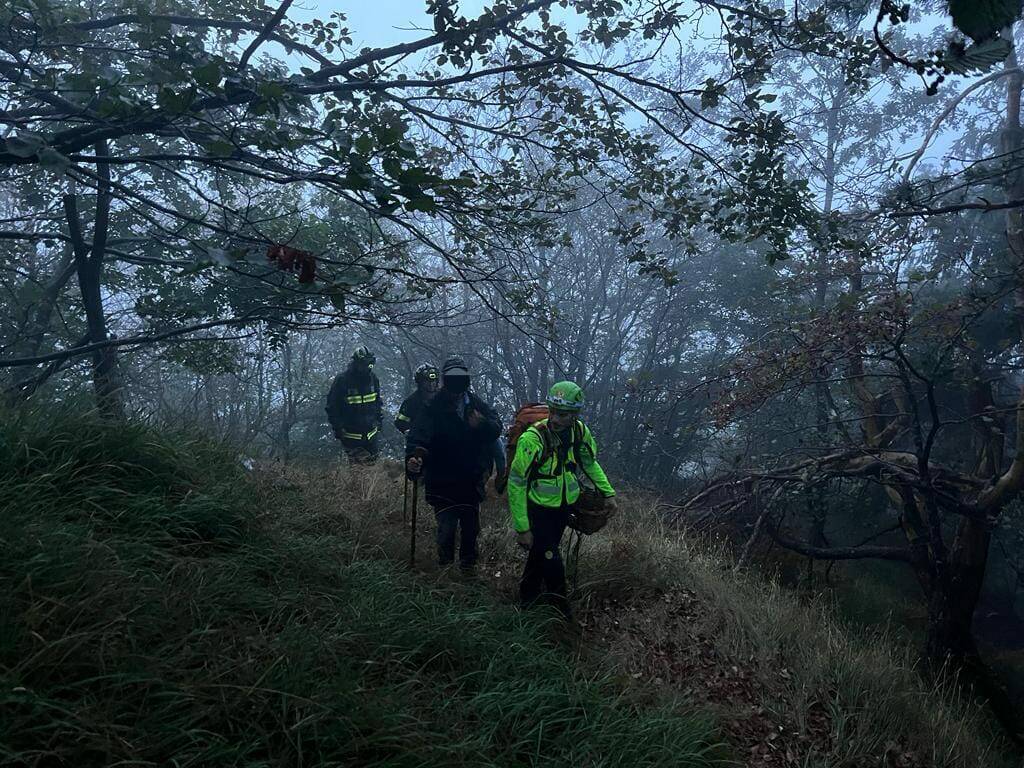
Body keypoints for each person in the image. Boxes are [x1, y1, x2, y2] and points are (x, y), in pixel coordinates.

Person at [507, 381, 617, 615]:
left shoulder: (579, 432)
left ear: (575, 414)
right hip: (538, 508)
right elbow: (516, 482)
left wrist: (608, 493)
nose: (556, 419)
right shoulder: (532, 439)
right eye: (553, 412)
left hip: (564, 507)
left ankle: (527, 599)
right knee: (550, 556)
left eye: (563, 414)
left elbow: (589, 462)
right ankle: (560, 606)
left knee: (541, 553)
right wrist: (522, 527)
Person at [406, 357, 501, 571]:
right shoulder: (432, 407)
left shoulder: (477, 405)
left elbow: (496, 429)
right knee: (446, 528)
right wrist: (413, 460)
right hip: (442, 480)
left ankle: (468, 572)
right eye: (452, 379)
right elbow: (418, 438)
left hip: (471, 479)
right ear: (445, 380)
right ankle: (445, 571)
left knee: (471, 529)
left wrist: (482, 424)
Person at [325, 346, 383, 463]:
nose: (367, 368)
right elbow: (332, 407)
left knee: (373, 470)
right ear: (356, 363)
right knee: (358, 472)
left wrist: (379, 421)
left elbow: (377, 402)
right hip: (352, 437)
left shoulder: (373, 379)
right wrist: (339, 428)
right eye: (364, 364)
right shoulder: (342, 380)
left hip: (371, 436)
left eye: (370, 364)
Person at [394, 363, 440, 434]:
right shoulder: (411, 402)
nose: (431, 384)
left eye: (433, 381)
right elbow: (400, 422)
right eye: (427, 381)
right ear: (420, 382)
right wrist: (413, 432)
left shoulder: (444, 398)